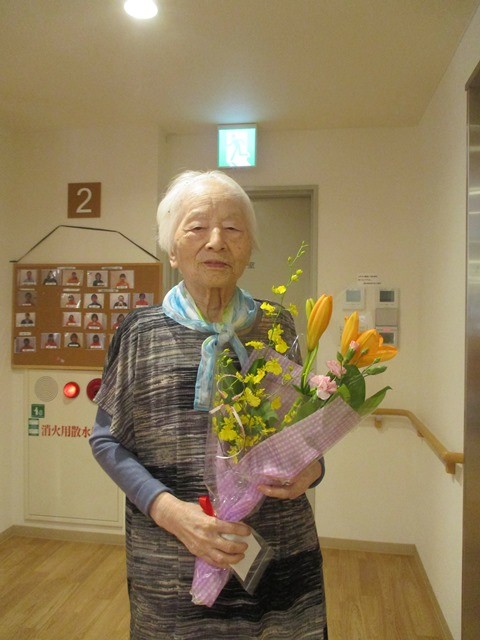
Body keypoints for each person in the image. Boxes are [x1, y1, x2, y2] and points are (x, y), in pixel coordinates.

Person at [90, 170, 327, 639]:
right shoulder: (139, 332)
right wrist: (170, 512)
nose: (216, 241)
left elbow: (304, 433)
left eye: (233, 229)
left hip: (276, 547)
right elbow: (106, 440)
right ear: (172, 249)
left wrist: (313, 470)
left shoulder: (277, 325)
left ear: (249, 248)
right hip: (171, 555)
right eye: (197, 227)